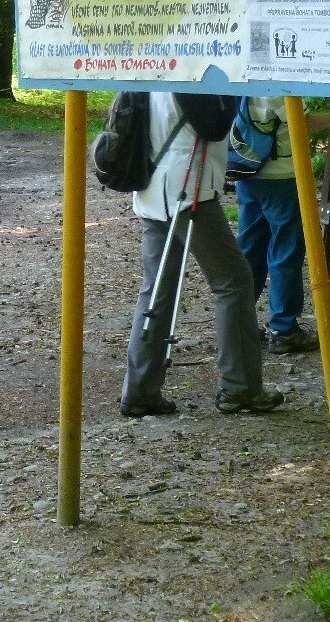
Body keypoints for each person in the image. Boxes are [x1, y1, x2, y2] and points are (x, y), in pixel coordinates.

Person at [121, 91, 284, 418]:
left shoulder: (150, 69)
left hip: (153, 184)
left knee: (157, 290)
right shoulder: (190, 72)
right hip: (185, 189)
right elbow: (215, 124)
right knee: (235, 281)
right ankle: (241, 388)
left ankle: (139, 391)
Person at [232, 98, 330, 355]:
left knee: (251, 249)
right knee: (286, 250)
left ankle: (239, 324)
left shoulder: (241, 79)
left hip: (246, 172)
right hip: (281, 176)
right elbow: (302, 123)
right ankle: (284, 329)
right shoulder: (278, 84)